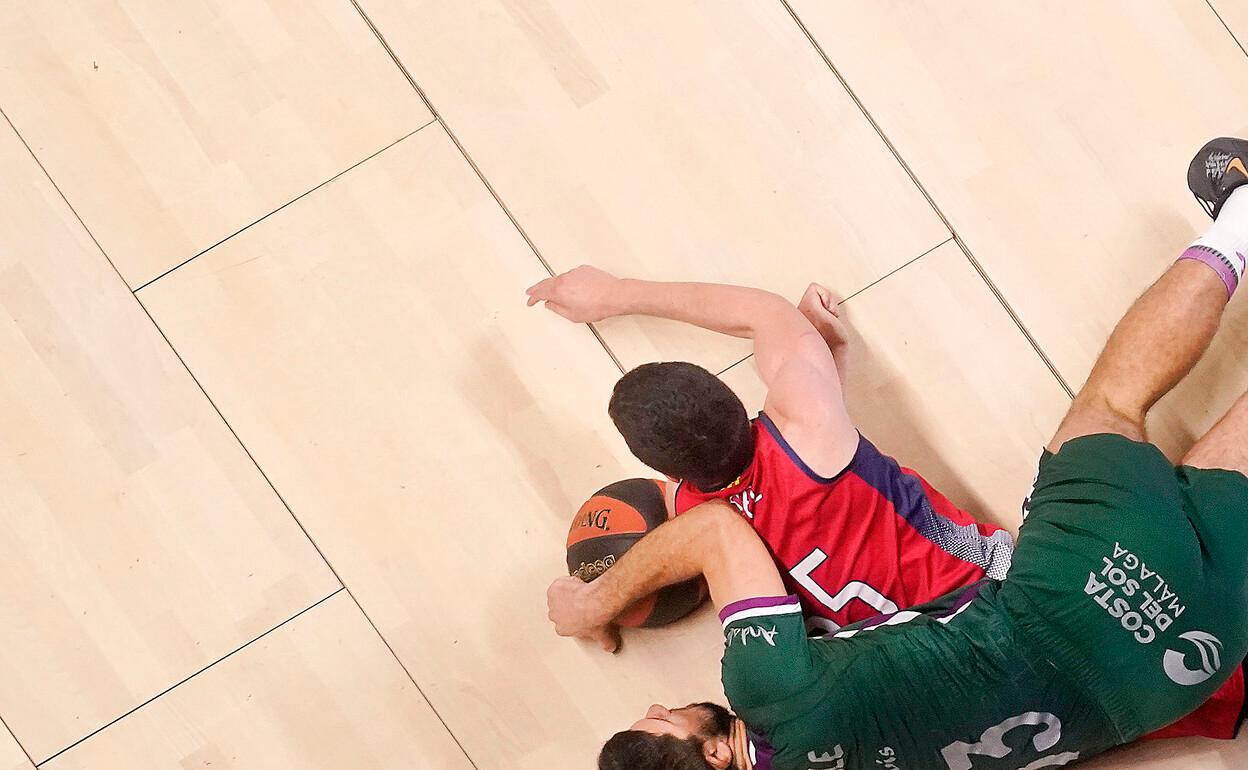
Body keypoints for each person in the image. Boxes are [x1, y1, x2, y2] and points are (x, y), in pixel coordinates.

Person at [550, 136, 1248, 769]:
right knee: (1111, 408)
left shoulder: (769, 621)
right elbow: (715, 523)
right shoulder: (764, 670)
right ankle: (1242, 216)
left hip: (1162, 691)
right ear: (713, 755)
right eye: (662, 718)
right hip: (1054, 597)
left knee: (1199, 500)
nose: (659, 703)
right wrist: (595, 602)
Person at [526, 262, 1014, 649]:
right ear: (733, 396)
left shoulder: (699, 527)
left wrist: (600, 604)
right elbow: (762, 313)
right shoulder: (807, 421)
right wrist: (615, 293)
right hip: (988, 590)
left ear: (665, 475)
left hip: (902, 659)